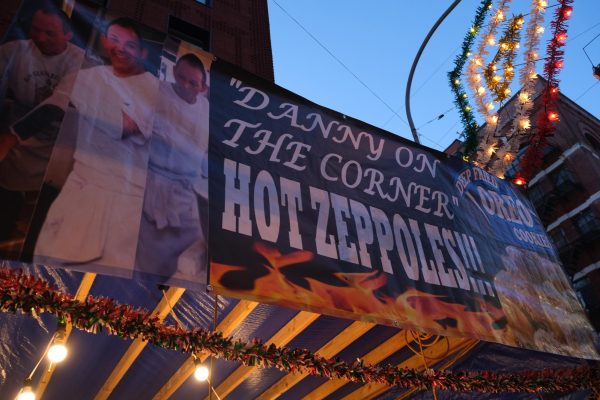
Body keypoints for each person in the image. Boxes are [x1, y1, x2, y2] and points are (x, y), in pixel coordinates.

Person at [33, 17, 158, 273]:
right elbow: (52, 105)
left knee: (104, 287)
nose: (120, 48)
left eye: (129, 45)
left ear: (143, 51)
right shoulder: (87, 76)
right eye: (114, 40)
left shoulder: (154, 90)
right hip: (79, 188)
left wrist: (83, 99)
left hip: (123, 200)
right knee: (46, 271)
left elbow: (126, 126)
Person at [0, 5, 84, 243]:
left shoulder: (79, 60)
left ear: (67, 34)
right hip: (12, 156)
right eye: (35, 30)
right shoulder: (13, 50)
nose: (40, 38)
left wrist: (11, 136)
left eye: (50, 33)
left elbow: (59, 102)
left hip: (50, 157)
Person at [135, 53, 209, 285]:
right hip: (153, 184)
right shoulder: (157, 93)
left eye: (193, 83)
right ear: (175, 73)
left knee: (190, 250)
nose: (185, 85)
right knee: (150, 251)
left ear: (203, 87)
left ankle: (171, 294)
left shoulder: (206, 109)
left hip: (187, 193)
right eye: (182, 78)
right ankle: (143, 293)